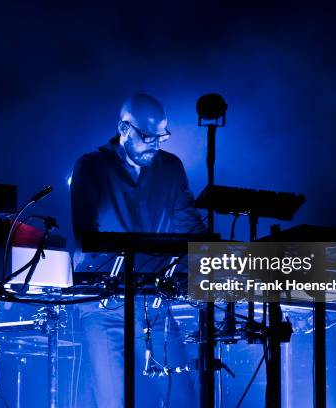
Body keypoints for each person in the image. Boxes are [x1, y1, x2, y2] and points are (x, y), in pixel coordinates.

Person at [70, 94, 205, 407]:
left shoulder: (170, 168)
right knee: (111, 398)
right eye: (148, 137)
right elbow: (87, 238)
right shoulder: (91, 167)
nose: (156, 144)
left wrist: (214, 265)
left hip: (153, 303)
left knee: (183, 398)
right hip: (103, 305)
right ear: (123, 128)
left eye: (162, 136)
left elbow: (191, 229)